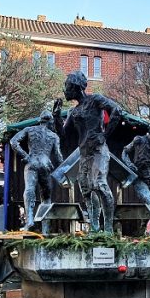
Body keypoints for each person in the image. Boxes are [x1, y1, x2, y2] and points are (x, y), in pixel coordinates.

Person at [52, 71, 122, 233]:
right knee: (86, 189)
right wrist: (56, 117)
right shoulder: (73, 112)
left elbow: (117, 111)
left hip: (98, 150)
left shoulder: (95, 100)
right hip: (84, 153)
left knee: (99, 184)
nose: (65, 90)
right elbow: (63, 135)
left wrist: (105, 135)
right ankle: (94, 227)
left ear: (76, 86)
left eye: (67, 87)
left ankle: (109, 228)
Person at [10, 109, 64, 230]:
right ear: (50, 122)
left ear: (40, 121)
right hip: (46, 165)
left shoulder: (29, 129)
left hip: (32, 162)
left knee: (29, 189)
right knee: (46, 197)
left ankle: (30, 220)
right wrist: (64, 170)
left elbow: (13, 141)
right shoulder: (54, 136)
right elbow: (58, 156)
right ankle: (45, 228)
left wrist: (25, 156)